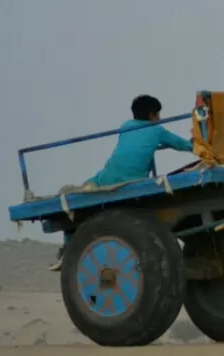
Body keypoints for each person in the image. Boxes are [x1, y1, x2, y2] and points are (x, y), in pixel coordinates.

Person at [49, 94, 193, 271]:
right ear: (151, 115)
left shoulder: (125, 127)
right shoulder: (157, 131)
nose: (160, 119)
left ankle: (67, 250)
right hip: (132, 180)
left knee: (72, 199)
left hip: (106, 177)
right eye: (158, 115)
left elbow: (134, 147)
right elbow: (183, 145)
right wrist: (200, 144)